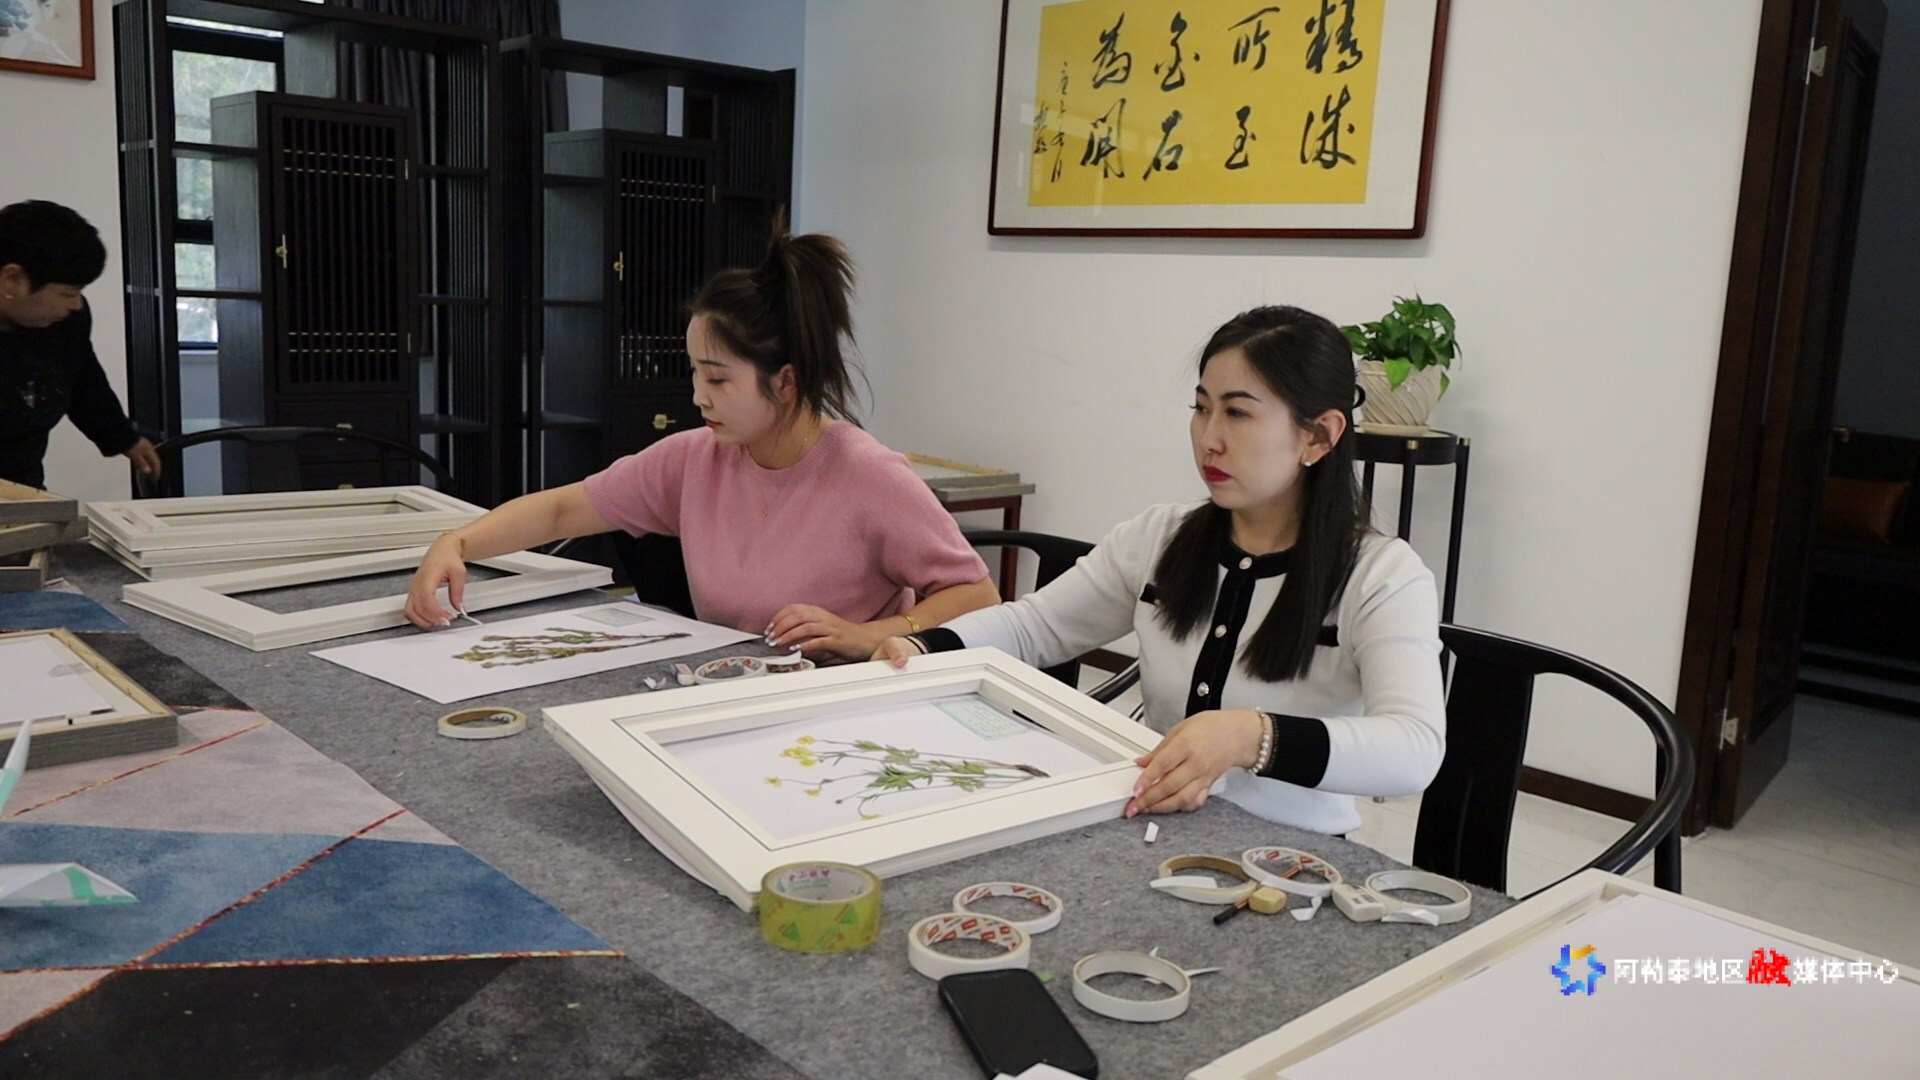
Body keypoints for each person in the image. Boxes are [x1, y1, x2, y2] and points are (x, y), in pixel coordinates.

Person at [875, 305, 1445, 835]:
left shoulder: (1382, 576)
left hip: (1294, 857)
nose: (1209, 439)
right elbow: (1032, 627)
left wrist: (1251, 735)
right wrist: (924, 648)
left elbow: (1415, 748)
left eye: (1237, 413)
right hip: (1152, 830)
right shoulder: (1159, 537)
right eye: (1201, 408)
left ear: (1319, 436)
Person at [404, 229, 999, 660]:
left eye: (717, 379)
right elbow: (563, 509)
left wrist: (870, 634)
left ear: (786, 382)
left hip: (841, 706)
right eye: (694, 373)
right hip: (732, 690)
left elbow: (978, 593)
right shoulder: (695, 458)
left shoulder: (868, 475)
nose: (698, 396)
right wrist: (456, 543)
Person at [0, 200, 161, 489]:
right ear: (12, 280)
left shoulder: (64, 322)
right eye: (68, 293)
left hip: (22, 489)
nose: (76, 304)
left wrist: (124, 438)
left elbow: (81, 379)